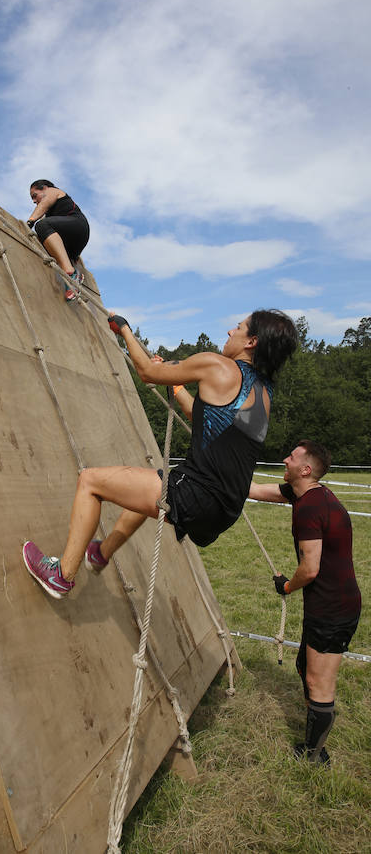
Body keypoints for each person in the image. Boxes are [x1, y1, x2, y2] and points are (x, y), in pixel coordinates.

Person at [23, 309, 298, 599]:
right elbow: (202, 417)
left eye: (238, 328)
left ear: (251, 341)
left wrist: (125, 331)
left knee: (90, 481)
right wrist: (177, 386)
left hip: (196, 494)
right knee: (153, 488)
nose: (230, 332)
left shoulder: (216, 365)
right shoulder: (264, 393)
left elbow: (147, 372)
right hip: (224, 511)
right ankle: (101, 554)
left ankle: (61, 576)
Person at [249, 440, 361, 765]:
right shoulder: (302, 494)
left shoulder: (312, 507)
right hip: (326, 605)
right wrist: (219, 472)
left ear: (306, 469)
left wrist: (286, 586)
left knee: (318, 682)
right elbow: (254, 489)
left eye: (292, 457)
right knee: (304, 668)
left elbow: (310, 569)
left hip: (333, 608)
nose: (285, 459)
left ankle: (314, 756)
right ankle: (315, 741)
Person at [26, 180, 90, 302]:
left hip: (77, 225)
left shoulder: (53, 191)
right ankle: (73, 283)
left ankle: (70, 272)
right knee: (43, 230)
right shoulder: (50, 216)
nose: (34, 201)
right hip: (70, 243)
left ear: (44, 188)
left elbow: (44, 205)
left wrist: (30, 221)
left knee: (41, 225)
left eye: (35, 196)